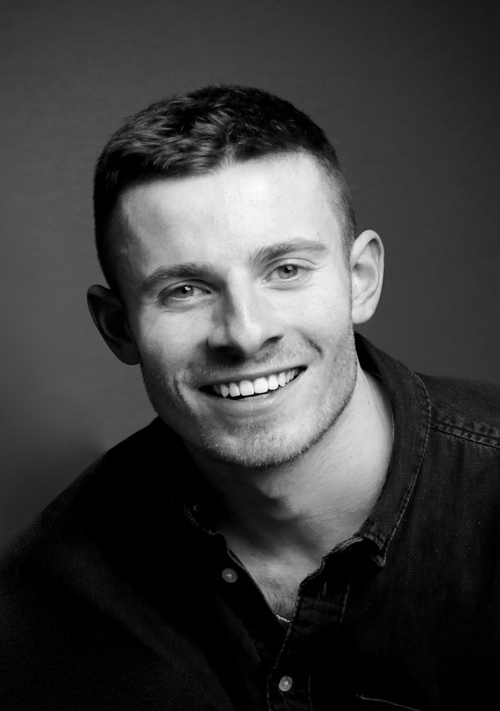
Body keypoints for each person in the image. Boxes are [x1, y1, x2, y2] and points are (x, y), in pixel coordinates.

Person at [0, 85, 499, 711]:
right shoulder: (48, 600)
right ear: (119, 327)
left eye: (286, 270)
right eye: (185, 290)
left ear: (360, 280)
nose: (244, 333)